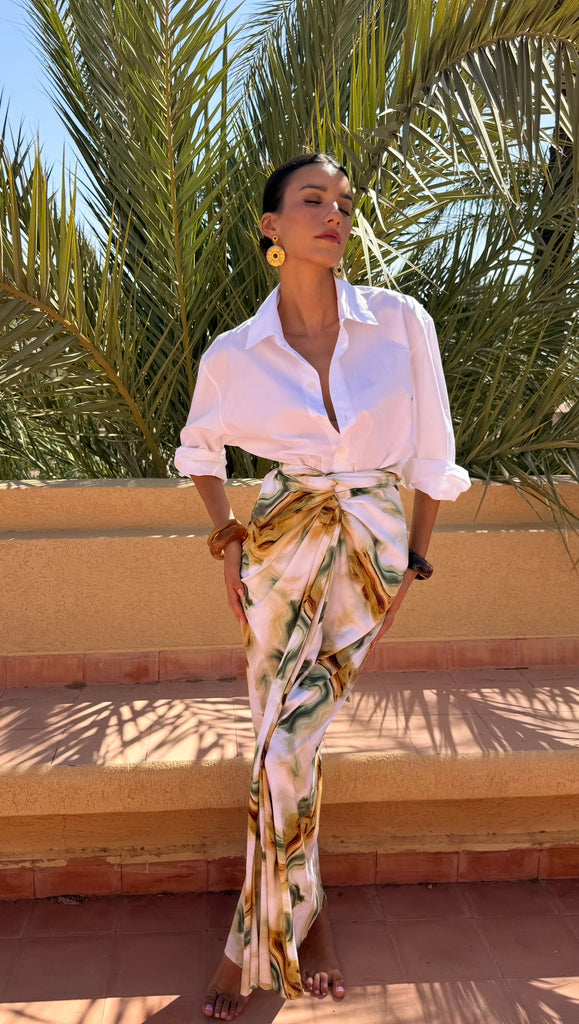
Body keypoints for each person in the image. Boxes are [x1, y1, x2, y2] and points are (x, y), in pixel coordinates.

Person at [173, 152, 470, 1020]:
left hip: (372, 546)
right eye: (313, 199)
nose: (334, 212)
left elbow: (433, 452)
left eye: (343, 201)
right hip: (278, 548)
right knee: (283, 746)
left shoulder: (400, 322)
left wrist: (413, 560)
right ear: (272, 227)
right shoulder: (235, 353)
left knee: (288, 743)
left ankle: (267, 935)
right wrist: (226, 538)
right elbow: (200, 452)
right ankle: (290, 928)